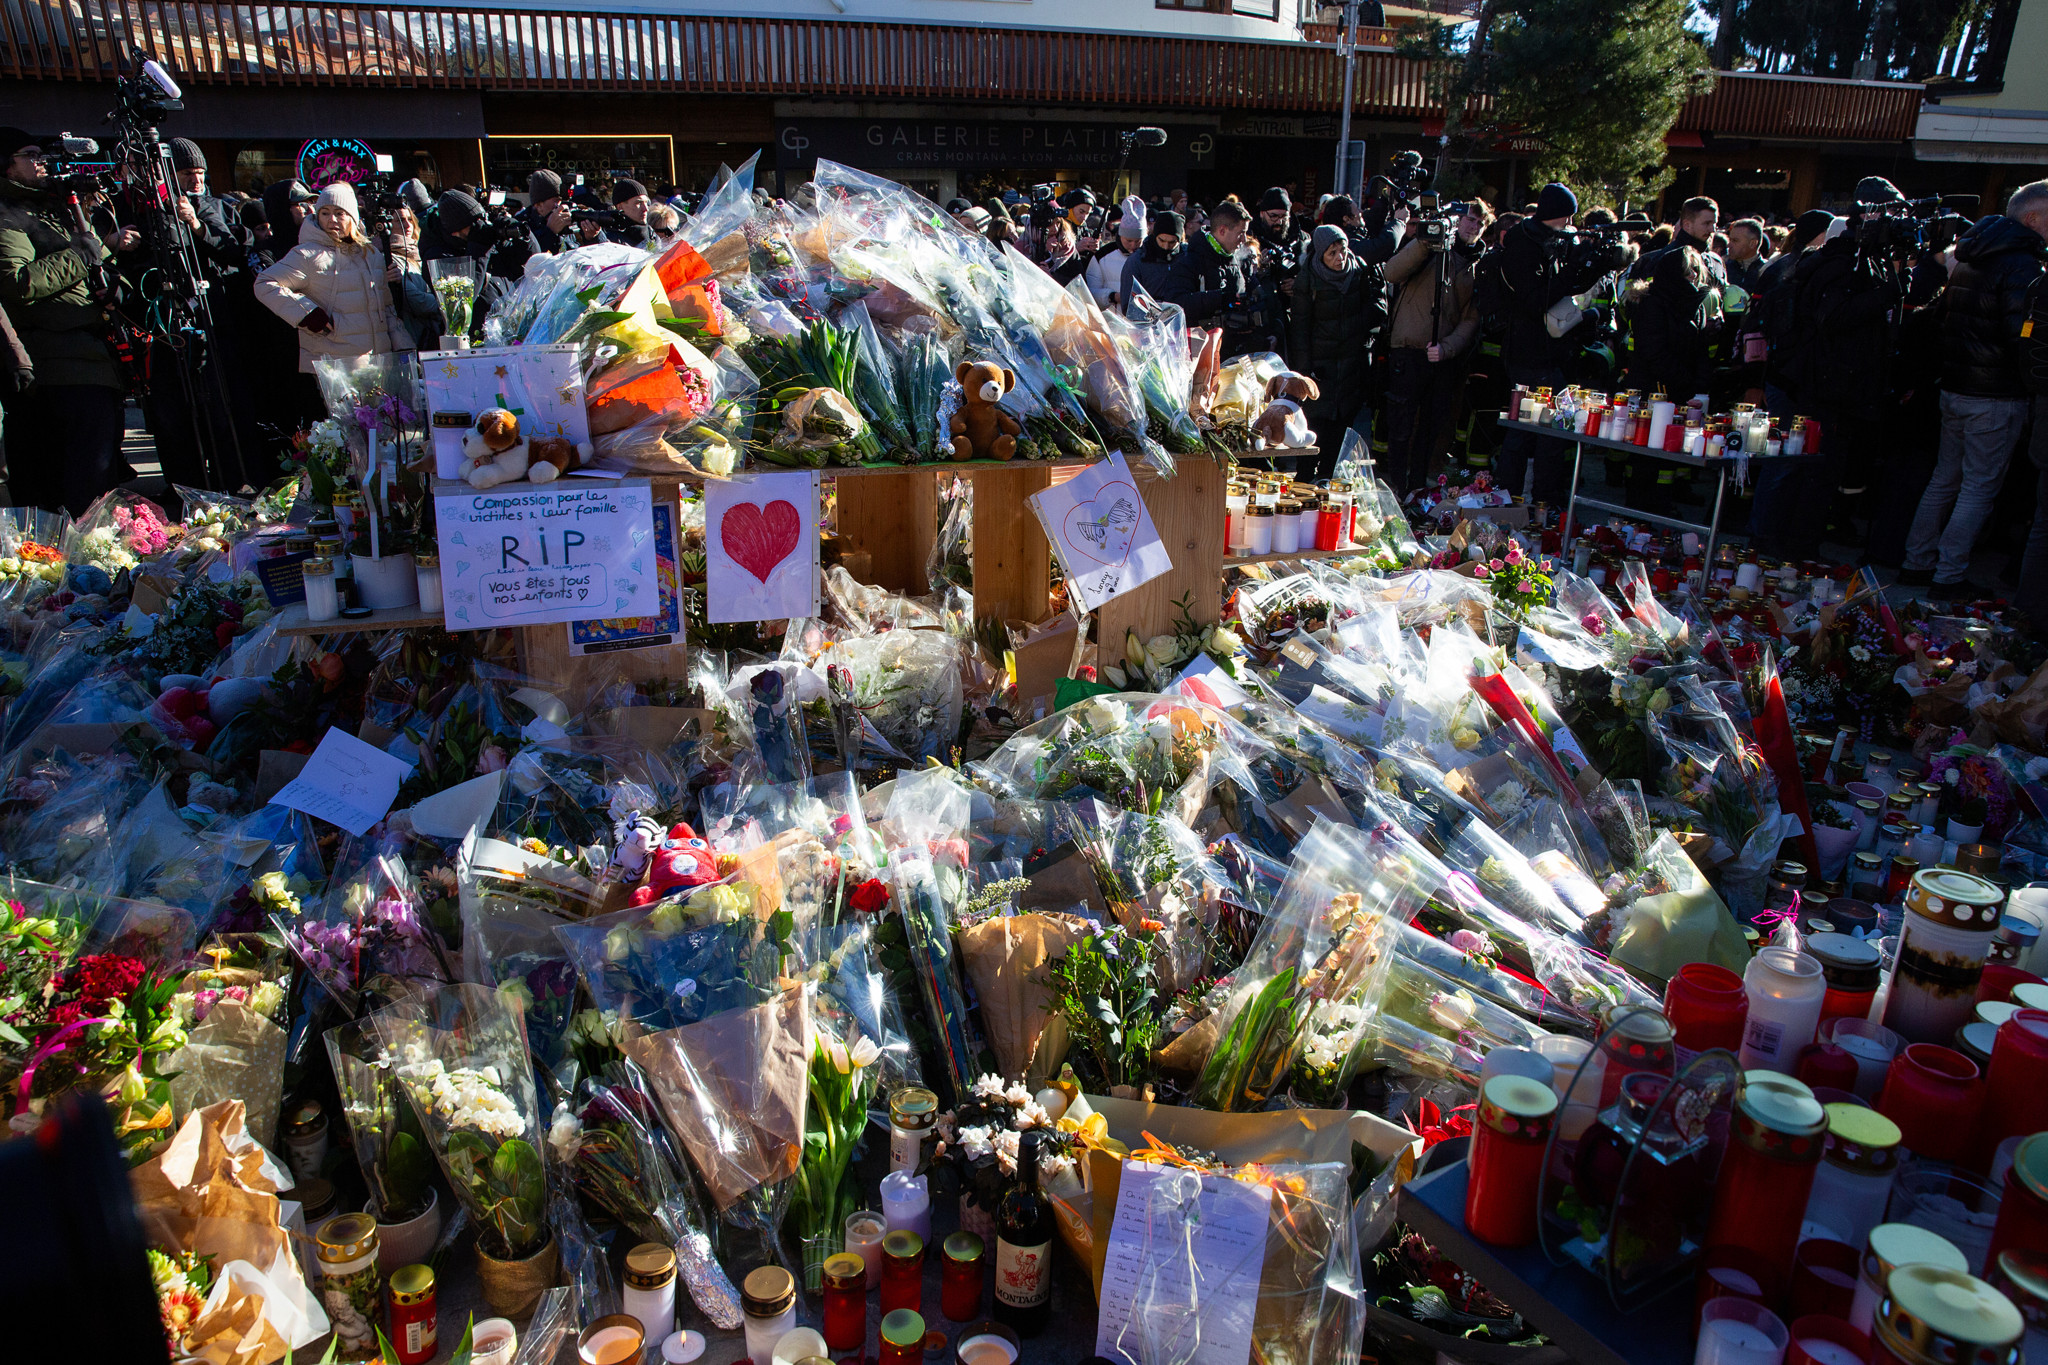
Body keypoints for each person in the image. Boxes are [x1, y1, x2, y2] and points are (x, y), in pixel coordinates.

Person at [1899, 181, 2048, 598]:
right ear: (2033, 218)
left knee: (1946, 480)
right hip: (1995, 394)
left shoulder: (1975, 254)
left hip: (1958, 388)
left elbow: (1943, 318)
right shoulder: (2020, 264)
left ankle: (1918, 562)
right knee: (1977, 486)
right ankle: (1947, 575)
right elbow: (2022, 338)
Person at [0, 127, 129, 514]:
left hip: (93, 356)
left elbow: (96, 266)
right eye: (30, 154)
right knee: (79, 481)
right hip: (58, 365)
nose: (42, 162)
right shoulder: (8, 213)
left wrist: (114, 289)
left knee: (99, 478)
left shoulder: (56, 207)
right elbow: (17, 284)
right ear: (7, 166)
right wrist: (83, 254)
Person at [1494, 182, 1632, 506]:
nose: (1570, 226)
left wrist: (1591, 264)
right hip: (1528, 352)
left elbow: (1564, 286)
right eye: (1567, 218)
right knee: (1523, 430)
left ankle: (1545, 501)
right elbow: (1536, 298)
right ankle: (1507, 500)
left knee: (1553, 435)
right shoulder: (1525, 243)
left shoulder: (1553, 240)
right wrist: (1572, 271)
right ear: (1555, 215)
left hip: (1553, 351)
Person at [254, 182, 414, 426]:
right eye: (324, 213)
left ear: (352, 216)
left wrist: (402, 344)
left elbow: (385, 307)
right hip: (336, 366)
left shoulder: (370, 253)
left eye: (339, 213)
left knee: (385, 436)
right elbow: (265, 283)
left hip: (377, 363)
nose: (332, 220)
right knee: (350, 440)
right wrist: (307, 313)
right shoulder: (307, 254)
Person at [1382, 199, 1489, 493]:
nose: (1473, 226)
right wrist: (1425, 243)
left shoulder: (1479, 264)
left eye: (1480, 223)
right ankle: (1396, 488)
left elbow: (1471, 318)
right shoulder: (1429, 248)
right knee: (1401, 426)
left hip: (1443, 357)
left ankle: (1417, 489)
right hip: (1408, 349)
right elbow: (1391, 272)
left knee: (1431, 429)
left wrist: (1447, 347)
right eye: (1469, 219)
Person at [1287, 224, 1385, 480]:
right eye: (1332, 253)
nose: (1340, 258)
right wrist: (1304, 373)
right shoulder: (1308, 278)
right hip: (1321, 367)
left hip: (1352, 364)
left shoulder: (1360, 271)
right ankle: (1305, 484)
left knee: (1339, 431)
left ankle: (1327, 481)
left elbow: (1378, 307)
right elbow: (1299, 329)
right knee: (1314, 429)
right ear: (1320, 254)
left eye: (1342, 250)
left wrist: (1356, 327)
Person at [1159, 198, 1248, 332]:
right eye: (1241, 233)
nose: (1244, 240)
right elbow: (1175, 305)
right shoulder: (1189, 261)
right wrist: (1221, 298)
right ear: (1222, 231)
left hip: (1234, 342)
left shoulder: (1237, 259)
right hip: (1201, 345)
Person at [1085, 197, 1145, 310]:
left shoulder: (1149, 255)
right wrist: (1112, 296)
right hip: (1111, 319)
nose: (1133, 245)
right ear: (1120, 235)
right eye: (1129, 241)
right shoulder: (1102, 256)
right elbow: (1090, 291)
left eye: (1138, 241)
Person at [1119, 210, 1182, 314]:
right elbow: (1128, 304)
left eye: (1172, 242)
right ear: (1155, 236)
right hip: (1147, 324)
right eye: (1161, 240)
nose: (1166, 247)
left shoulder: (1185, 256)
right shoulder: (1137, 261)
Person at [518, 169, 570, 254]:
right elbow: (529, 260)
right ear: (539, 205)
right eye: (556, 201)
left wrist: (592, 238)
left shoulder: (563, 218)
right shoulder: (522, 227)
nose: (561, 206)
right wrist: (550, 232)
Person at [1037, 217, 1088, 288]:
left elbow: (1080, 283)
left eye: (1058, 223)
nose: (1055, 229)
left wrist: (1053, 277)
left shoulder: (1067, 246)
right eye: (1050, 224)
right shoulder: (1026, 241)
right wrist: (1045, 251)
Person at [1724, 217, 1769, 294]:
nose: (1729, 245)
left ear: (1752, 243)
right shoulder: (1723, 268)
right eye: (1730, 240)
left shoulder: (1767, 271)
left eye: (1735, 240)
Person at [609, 178, 654, 248]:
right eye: (638, 203)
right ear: (620, 207)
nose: (646, 209)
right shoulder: (611, 238)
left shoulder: (651, 234)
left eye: (646, 203)